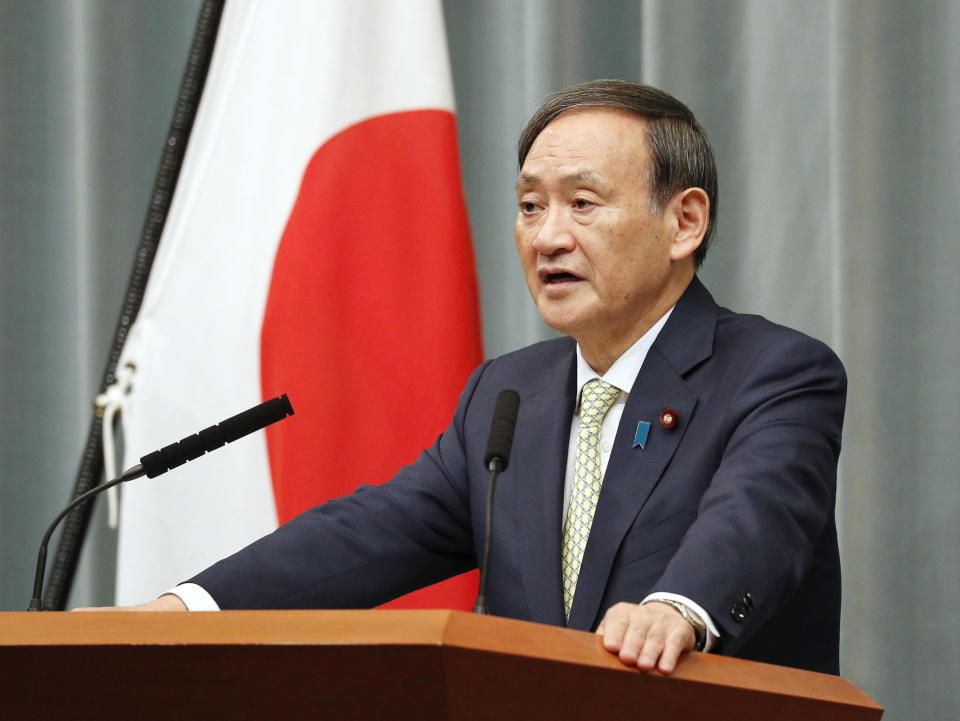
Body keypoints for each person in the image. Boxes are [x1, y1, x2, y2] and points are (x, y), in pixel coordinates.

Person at [81, 80, 845, 677]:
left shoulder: (774, 373)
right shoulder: (510, 397)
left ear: (684, 222)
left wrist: (679, 608)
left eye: (583, 203)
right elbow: (370, 533)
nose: (549, 236)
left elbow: (758, 516)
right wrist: (184, 607)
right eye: (529, 205)